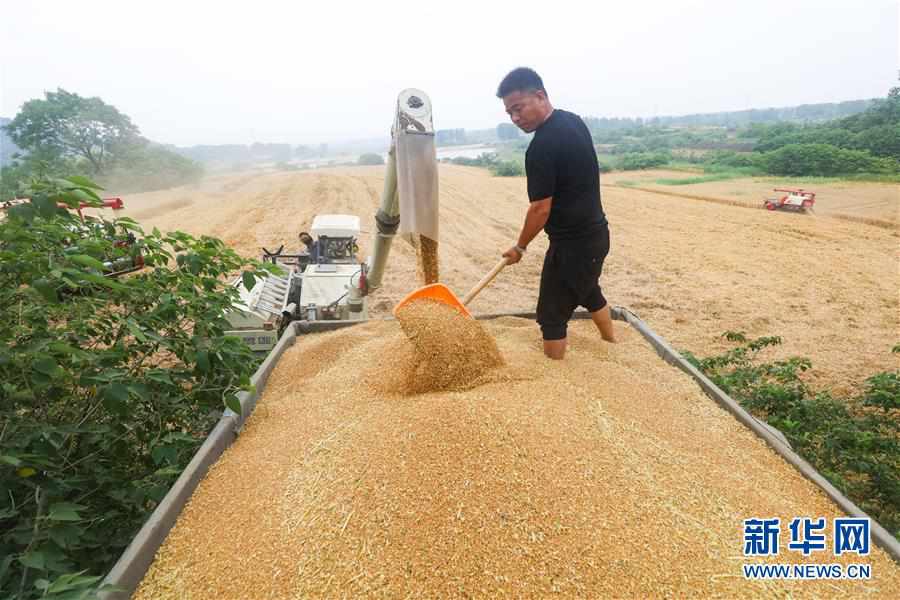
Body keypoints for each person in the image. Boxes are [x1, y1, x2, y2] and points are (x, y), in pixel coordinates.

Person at [498, 67, 616, 359]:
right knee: (587, 290)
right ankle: (612, 343)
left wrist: (520, 247)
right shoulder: (572, 121)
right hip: (597, 235)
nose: (515, 118)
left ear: (540, 95)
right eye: (509, 113)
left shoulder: (540, 148)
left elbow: (540, 208)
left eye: (518, 108)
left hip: (573, 245)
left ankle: (556, 377)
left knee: (551, 315)